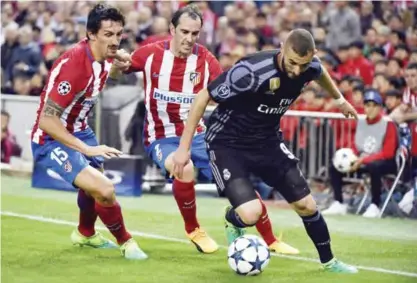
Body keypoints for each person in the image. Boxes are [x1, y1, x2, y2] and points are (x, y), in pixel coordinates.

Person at [113, 4, 299, 255]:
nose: (189, 39)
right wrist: (117, 62)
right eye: (184, 32)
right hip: (160, 137)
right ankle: (193, 229)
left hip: (199, 136)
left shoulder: (207, 61)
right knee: (184, 167)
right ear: (172, 29)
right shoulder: (149, 54)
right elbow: (116, 73)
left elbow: (228, 96)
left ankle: (270, 239)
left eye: (195, 33)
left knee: (237, 179)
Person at [172, 28, 359, 273]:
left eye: (302, 65)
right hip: (228, 143)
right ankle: (233, 220)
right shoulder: (250, 71)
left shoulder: (309, 66)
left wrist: (339, 100)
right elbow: (203, 97)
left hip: (267, 141)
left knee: (307, 205)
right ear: (282, 47)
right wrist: (183, 149)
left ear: (312, 55)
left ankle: (329, 261)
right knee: (251, 214)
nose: (296, 71)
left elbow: (320, 71)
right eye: (292, 62)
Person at [30, 4, 147, 260]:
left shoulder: (105, 57)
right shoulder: (74, 65)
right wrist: (87, 150)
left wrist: (119, 66)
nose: (115, 41)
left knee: (94, 187)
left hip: (80, 130)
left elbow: (104, 77)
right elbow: (46, 121)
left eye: (119, 34)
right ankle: (126, 243)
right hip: (51, 139)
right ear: (91, 34)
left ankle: (85, 234)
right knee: (104, 190)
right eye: (108, 34)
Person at [323, 89, 399, 217]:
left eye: (374, 106)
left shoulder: (388, 124)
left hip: (385, 163)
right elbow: (356, 145)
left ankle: (375, 205)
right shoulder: (361, 122)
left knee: (374, 167)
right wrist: (352, 158)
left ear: (380, 107)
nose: (370, 109)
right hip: (363, 160)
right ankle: (339, 202)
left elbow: (388, 153)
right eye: (367, 105)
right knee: (335, 166)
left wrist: (362, 160)